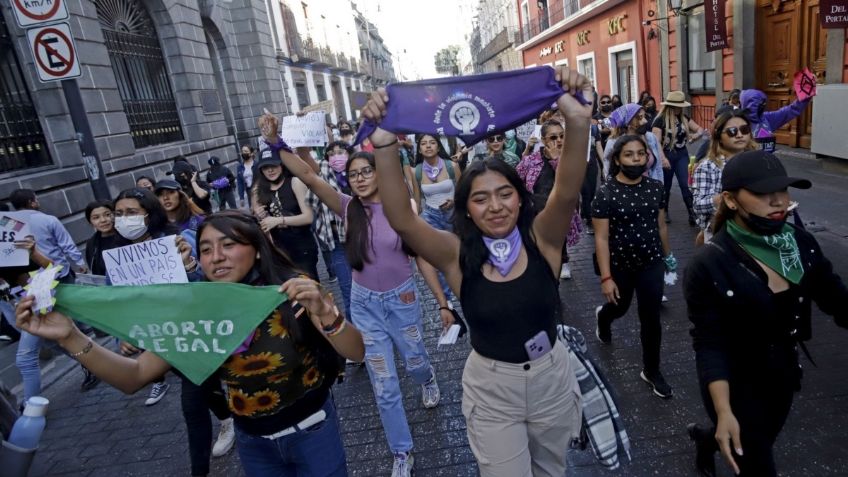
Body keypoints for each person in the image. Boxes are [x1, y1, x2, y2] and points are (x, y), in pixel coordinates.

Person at [361, 67, 590, 477]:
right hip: (492, 390)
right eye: (481, 198)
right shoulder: (454, 253)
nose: (496, 206)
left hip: (551, 378)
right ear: (467, 208)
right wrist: (383, 146)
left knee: (552, 471)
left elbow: (568, 189)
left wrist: (577, 120)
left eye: (505, 194)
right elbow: (402, 219)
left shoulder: (543, 239)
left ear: (520, 200)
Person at [15, 210, 365, 476]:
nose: (217, 257)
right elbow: (134, 375)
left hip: (313, 432)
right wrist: (70, 336)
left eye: (229, 245)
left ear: (257, 250)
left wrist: (326, 313)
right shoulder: (195, 312)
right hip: (254, 444)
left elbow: (356, 350)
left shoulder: (294, 292)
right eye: (207, 249)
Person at [269, 133, 444, 477]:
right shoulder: (347, 206)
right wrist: (276, 142)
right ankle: (402, 452)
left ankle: (427, 378)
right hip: (365, 306)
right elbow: (307, 176)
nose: (360, 179)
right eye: (354, 175)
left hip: (403, 300)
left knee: (415, 360)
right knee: (385, 384)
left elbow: (423, 255)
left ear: (380, 173)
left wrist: (442, 302)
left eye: (366, 172)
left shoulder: (400, 209)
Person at [683, 150, 847, 477]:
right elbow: (709, 343)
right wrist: (723, 411)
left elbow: (836, 299)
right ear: (730, 200)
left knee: (761, 440)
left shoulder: (799, 242)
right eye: (762, 193)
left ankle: (707, 440)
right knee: (758, 463)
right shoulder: (709, 264)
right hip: (734, 383)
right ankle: (718, 431)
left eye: (783, 191)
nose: (778, 202)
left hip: (782, 375)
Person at [592, 135, 675, 399]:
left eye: (641, 153)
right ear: (617, 159)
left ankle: (651, 370)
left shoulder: (656, 188)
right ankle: (603, 318)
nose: (636, 159)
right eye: (629, 154)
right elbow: (601, 238)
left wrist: (668, 256)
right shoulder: (605, 193)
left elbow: (661, 225)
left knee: (651, 318)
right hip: (620, 266)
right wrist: (606, 277)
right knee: (620, 307)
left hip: (651, 263)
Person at [8, 189, 97, 397]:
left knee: (28, 355)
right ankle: (92, 360)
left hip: (44, 286)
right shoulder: (39, 222)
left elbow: (49, 263)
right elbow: (66, 245)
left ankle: (29, 408)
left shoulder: (15, 228)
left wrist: (78, 265)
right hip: (27, 294)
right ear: (32, 202)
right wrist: (79, 264)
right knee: (54, 338)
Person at [517, 119, 577, 280]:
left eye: (562, 136)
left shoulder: (570, 158)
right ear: (543, 140)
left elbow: (569, 183)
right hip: (536, 211)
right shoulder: (531, 160)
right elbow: (516, 178)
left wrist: (555, 161)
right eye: (553, 137)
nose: (558, 140)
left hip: (559, 213)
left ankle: (558, 274)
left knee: (557, 246)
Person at [251, 150, 319, 281]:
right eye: (265, 167)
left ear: (282, 165)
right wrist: (259, 215)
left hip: (302, 245)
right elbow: (259, 221)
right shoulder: (258, 189)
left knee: (310, 285)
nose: (270, 170)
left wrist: (278, 220)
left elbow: (308, 217)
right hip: (279, 250)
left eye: (274, 165)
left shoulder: (295, 182)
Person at [691, 110, 756, 242]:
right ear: (719, 136)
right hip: (722, 233)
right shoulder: (708, 166)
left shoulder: (758, 161)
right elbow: (698, 205)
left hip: (754, 230)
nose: (739, 135)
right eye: (732, 131)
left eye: (744, 130)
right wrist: (727, 198)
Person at [310, 141, 355, 318]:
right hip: (339, 243)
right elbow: (307, 168)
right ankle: (360, 335)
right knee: (348, 290)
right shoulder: (323, 175)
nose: (337, 156)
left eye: (341, 152)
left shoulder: (360, 174)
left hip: (364, 241)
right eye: (332, 153)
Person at [652, 91, 706, 226]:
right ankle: (664, 211)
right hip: (666, 154)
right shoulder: (659, 120)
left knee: (686, 184)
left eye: (681, 106)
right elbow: (656, 142)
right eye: (677, 106)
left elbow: (700, 129)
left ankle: (692, 213)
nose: (680, 108)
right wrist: (663, 158)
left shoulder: (684, 118)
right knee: (666, 186)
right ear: (670, 106)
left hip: (682, 154)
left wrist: (696, 136)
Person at [603, 103, 664, 183]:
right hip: (623, 190)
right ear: (628, 122)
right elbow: (607, 163)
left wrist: (660, 186)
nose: (645, 121)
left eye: (644, 116)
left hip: (649, 189)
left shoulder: (651, 138)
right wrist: (611, 186)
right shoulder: (614, 142)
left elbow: (658, 167)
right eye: (640, 118)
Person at [740, 88, 812, 153]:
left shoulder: (767, 118)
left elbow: (790, 110)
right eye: (761, 103)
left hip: (768, 164)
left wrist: (805, 95)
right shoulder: (739, 123)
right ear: (750, 105)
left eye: (764, 103)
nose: (763, 105)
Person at [83, 200, 120, 277]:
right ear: (90, 222)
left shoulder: (128, 236)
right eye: (96, 218)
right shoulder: (91, 244)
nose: (103, 220)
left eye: (107, 215)